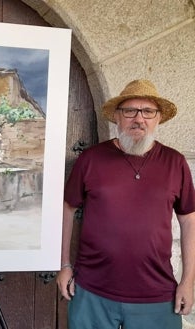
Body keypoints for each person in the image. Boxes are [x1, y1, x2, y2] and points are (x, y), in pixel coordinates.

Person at [57, 79, 195, 329]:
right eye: (130, 111)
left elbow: (189, 221)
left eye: (148, 112)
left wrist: (188, 281)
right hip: (92, 291)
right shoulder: (91, 159)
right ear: (117, 118)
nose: (139, 119)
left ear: (158, 118)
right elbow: (68, 208)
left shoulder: (175, 163)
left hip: (157, 295)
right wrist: (64, 264)